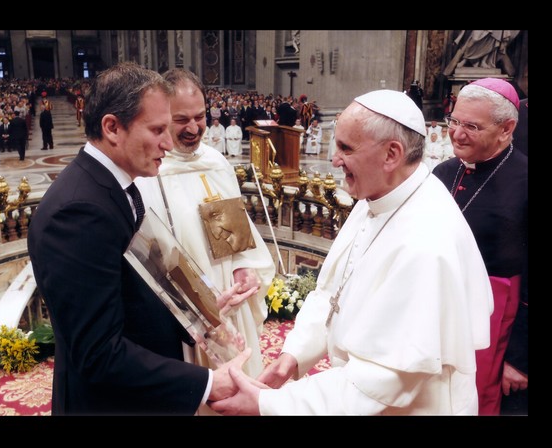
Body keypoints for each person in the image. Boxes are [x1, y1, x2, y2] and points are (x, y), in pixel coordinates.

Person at [210, 89, 493, 416]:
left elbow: (377, 383)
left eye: (346, 148)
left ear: (391, 154)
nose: (334, 160)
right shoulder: (379, 194)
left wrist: (267, 403)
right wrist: (294, 355)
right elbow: (331, 292)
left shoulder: (426, 243)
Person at [27, 62, 253, 416]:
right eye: (158, 129)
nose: (168, 142)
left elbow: (137, 292)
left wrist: (200, 309)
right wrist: (207, 383)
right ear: (113, 127)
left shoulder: (115, 185)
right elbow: (99, 353)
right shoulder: (77, 213)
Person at [135, 68, 275, 382]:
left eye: (200, 116)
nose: (194, 127)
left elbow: (236, 238)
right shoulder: (148, 174)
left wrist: (244, 265)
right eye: (182, 119)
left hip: (232, 303)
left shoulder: (216, 162)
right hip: (186, 312)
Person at [432, 77, 527, 415]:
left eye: (471, 126)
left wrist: (519, 358)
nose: (456, 134)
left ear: (506, 128)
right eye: (454, 121)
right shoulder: (443, 173)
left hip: (497, 318)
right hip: (440, 310)